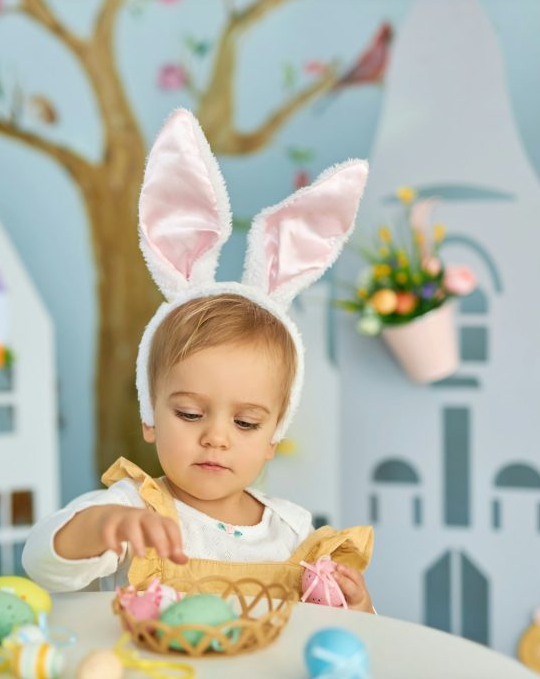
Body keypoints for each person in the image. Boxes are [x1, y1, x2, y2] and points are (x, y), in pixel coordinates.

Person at [23, 109, 375, 611]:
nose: (216, 436)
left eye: (247, 422)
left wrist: (355, 609)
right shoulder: (134, 510)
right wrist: (101, 528)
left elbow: (336, 641)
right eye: (189, 413)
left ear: (274, 433)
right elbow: (41, 561)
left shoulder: (293, 531)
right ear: (151, 415)